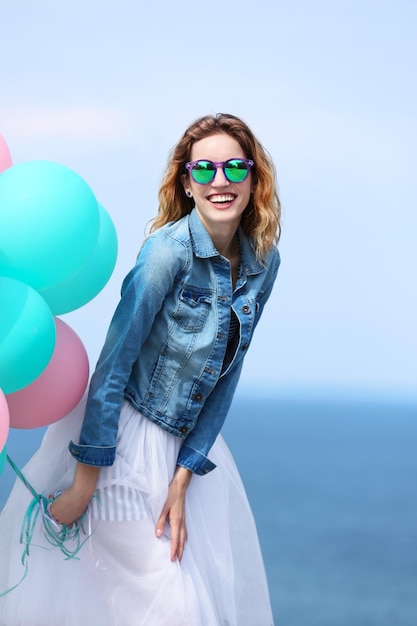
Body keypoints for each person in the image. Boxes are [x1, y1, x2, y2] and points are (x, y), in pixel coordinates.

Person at [0, 113, 281, 626]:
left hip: (188, 456)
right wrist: (87, 480)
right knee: (156, 606)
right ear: (186, 182)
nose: (220, 181)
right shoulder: (165, 254)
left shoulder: (264, 261)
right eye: (205, 169)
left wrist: (183, 477)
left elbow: (229, 372)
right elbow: (114, 362)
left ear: (254, 179)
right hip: (122, 442)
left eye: (235, 168)